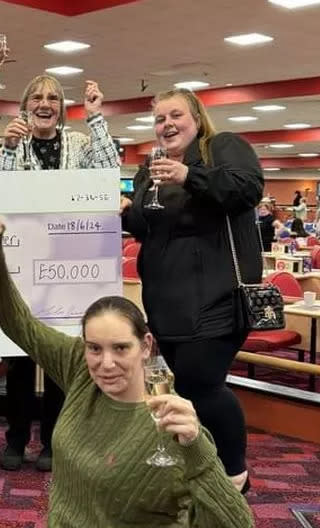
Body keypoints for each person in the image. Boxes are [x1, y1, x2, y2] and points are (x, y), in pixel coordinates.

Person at [0, 212, 254, 528]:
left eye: (121, 348)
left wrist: (197, 451)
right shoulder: (79, 368)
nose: (105, 364)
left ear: (145, 346)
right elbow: (18, 323)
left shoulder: (177, 423)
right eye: (95, 348)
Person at [121, 88, 263, 492]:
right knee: (183, 386)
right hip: (167, 302)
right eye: (159, 118)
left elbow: (247, 190)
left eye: (175, 115)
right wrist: (126, 212)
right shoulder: (151, 168)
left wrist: (190, 175)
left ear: (196, 118)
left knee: (202, 383)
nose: (167, 124)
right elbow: (148, 228)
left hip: (217, 297)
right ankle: (199, 465)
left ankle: (235, 475)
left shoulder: (223, 147)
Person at [0, 75, 119, 471]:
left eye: (53, 98)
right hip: (22, 263)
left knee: (59, 359)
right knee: (19, 355)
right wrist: (9, 148)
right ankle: (15, 438)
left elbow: (109, 175)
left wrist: (96, 118)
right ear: (25, 104)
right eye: (37, 96)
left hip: (68, 266)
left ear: (62, 108)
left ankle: (52, 440)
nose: (45, 103)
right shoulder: (12, 143)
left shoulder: (79, 144)